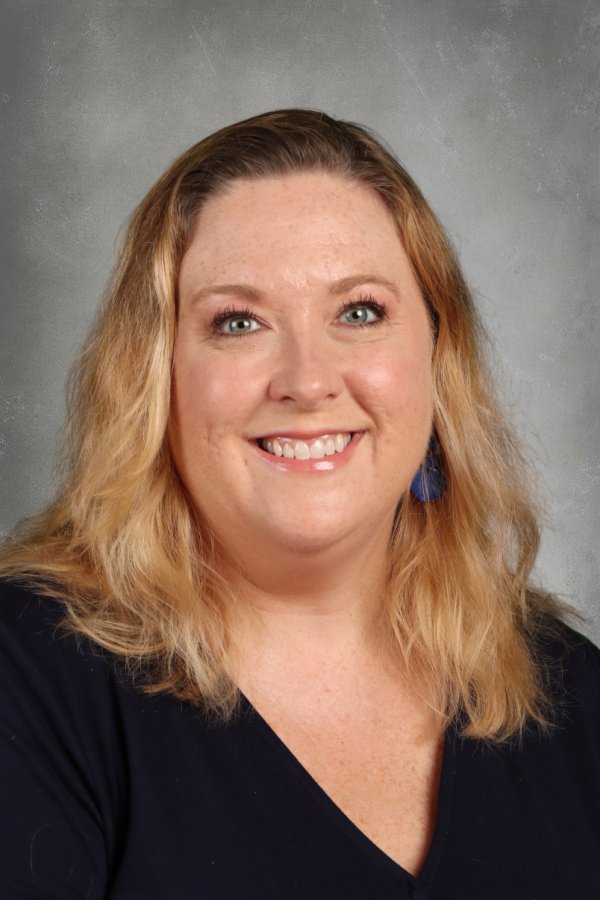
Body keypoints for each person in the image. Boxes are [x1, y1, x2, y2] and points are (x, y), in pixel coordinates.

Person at [0, 109, 598, 900]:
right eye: (238, 322)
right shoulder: (29, 674)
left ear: (436, 357)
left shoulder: (572, 694)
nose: (308, 380)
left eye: (359, 312)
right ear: (156, 379)